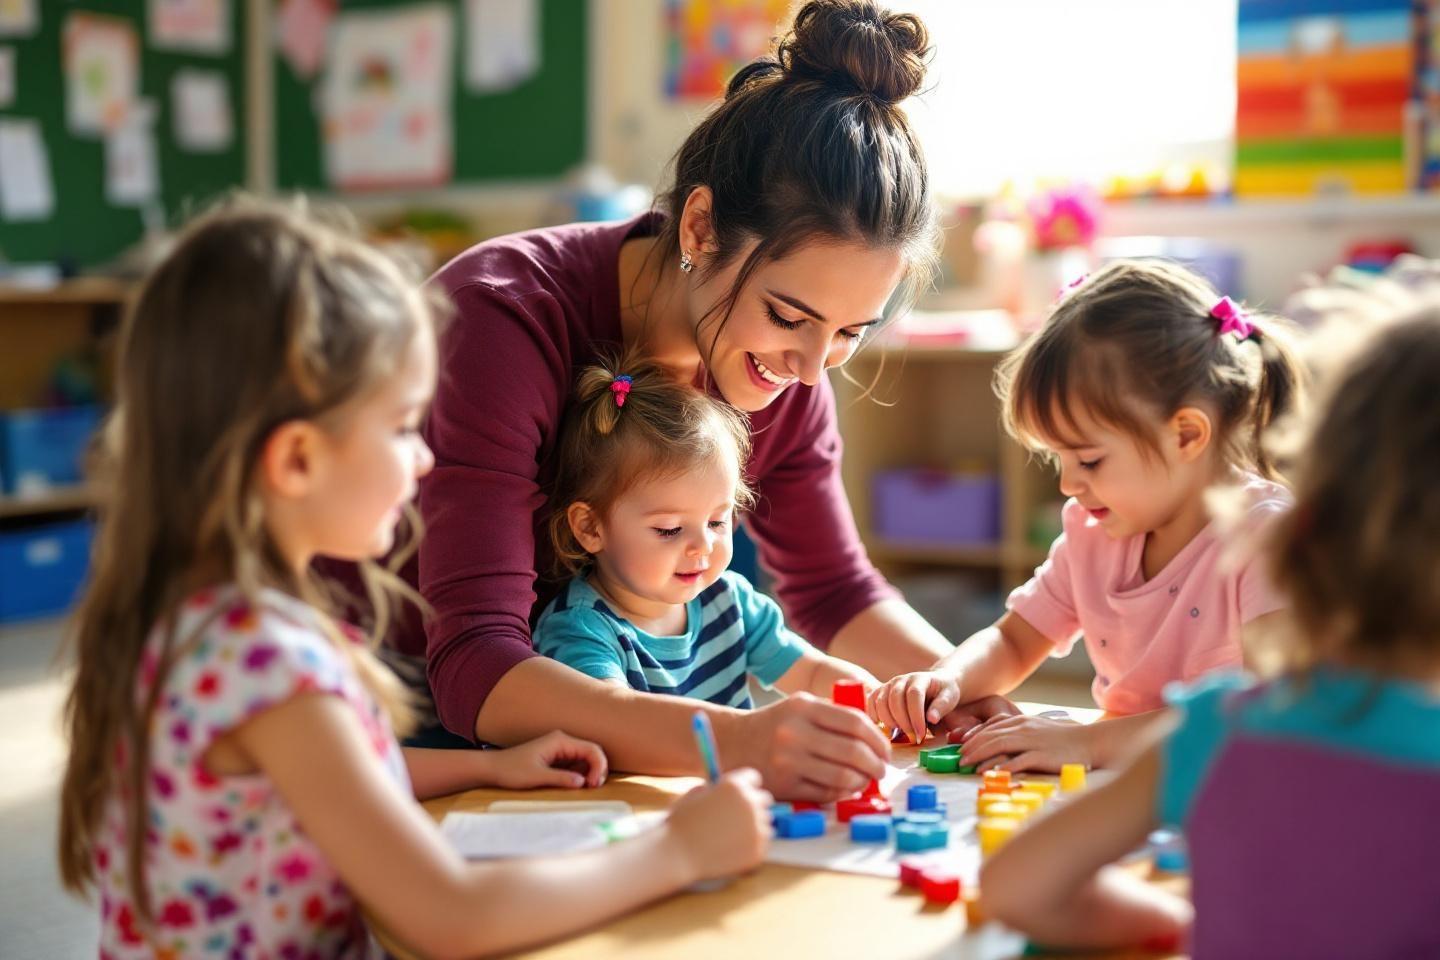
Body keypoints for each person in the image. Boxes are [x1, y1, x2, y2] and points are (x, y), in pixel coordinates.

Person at [57, 203, 773, 959]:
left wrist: (490, 766)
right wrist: (680, 852)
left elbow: (335, 773)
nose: (425, 459)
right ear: (297, 459)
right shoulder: (271, 664)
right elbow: (450, 915)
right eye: (404, 428)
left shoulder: (208, 620)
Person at [393, 0, 950, 799]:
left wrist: (962, 691)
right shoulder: (502, 319)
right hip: (405, 703)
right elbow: (476, 665)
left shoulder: (779, 363)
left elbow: (833, 590)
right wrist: (740, 739)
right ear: (698, 228)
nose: (809, 369)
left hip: (587, 720)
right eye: (790, 316)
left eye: (850, 333)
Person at [981, 306, 1440, 958]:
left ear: (1299, 535)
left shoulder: (1215, 728)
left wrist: (1182, 924)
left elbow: (1016, 886)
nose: (1066, 482)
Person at [869, 260, 1305, 772]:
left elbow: (1261, 714)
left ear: (1186, 435)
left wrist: (1085, 743)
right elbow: (1013, 640)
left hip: (1234, 788)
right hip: (1132, 786)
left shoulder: (1266, 539)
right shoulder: (1093, 532)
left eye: (1089, 460)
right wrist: (947, 679)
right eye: (1058, 459)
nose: (1068, 485)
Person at [535, 351, 878, 706]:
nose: (703, 545)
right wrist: (753, 732)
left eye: (717, 521)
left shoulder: (729, 600)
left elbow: (811, 673)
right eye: (669, 529)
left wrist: (877, 696)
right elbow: (619, 721)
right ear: (590, 527)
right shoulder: (580, 631)